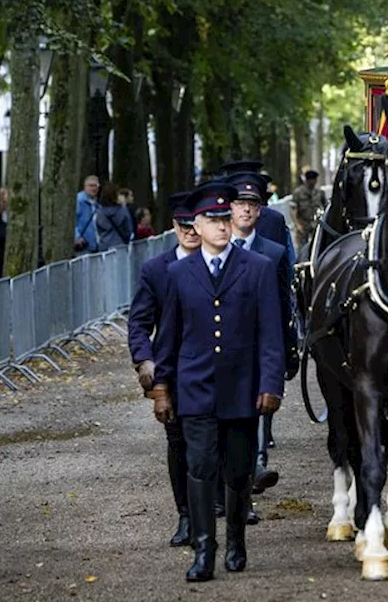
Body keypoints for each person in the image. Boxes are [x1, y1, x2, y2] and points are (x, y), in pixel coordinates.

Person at [151, 182, 285, 582]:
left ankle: (236, 542)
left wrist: (271, 384)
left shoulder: (257, 268)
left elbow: (270, 333)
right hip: (194, 389)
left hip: (242, 387)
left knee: (239, 470)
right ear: (197, 225)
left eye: (226, 218)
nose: (223, 226)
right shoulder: (178, 273)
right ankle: (203, 550)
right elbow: (169, 337)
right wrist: (162, 389)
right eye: (214, 220)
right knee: (200, 467)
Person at [128, 191, 200, 548]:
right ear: (174, 226)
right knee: (179, 444)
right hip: (174, 371)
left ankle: (224, 502)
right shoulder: (155, 270)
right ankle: (186, 515)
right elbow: (139, 322)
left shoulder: (221, 263)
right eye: (183, 225)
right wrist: (144, 359)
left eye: (195, 225)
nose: (190, 232)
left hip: (216, 369)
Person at [228, 169, 296, 498]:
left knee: (252, 411)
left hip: (256, 346)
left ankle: (254, 467)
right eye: (238, 202)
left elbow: (283, 302)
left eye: (251, 203)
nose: (245, 209)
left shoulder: (273, 253)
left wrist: (289, 347)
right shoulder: (214, 246)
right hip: (219, 348)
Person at [215, 160, 296, 265]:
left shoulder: (274, 224)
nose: (246, 209)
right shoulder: (216, 243)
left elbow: (284, 267)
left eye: (252, 203)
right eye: (240, 203)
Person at [290, 169, 327, 250]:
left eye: (315, 179)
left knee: (317, 247)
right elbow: (293, 210)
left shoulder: (320, 192)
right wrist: (297, 225)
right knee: (302, 248)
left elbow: (326, 207)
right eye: (312, 180)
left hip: (316, 224)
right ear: (307, 180)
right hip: (303, 224)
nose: (314, 182)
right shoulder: (298, 192)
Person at [95, 182, 135, 252]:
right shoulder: (122, 210)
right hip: (120, 246)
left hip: (104, 247)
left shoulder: (99, 212)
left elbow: (98, 229)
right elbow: (128, 229)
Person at [75, 175, 100, 253]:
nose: (94, 188)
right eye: (91, 185)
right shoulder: (79, 201)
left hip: (95, 245)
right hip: (82, 245)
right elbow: (72, 221)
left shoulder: (97, 203)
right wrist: (77, 236)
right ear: (85, 187)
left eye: (96, 186)